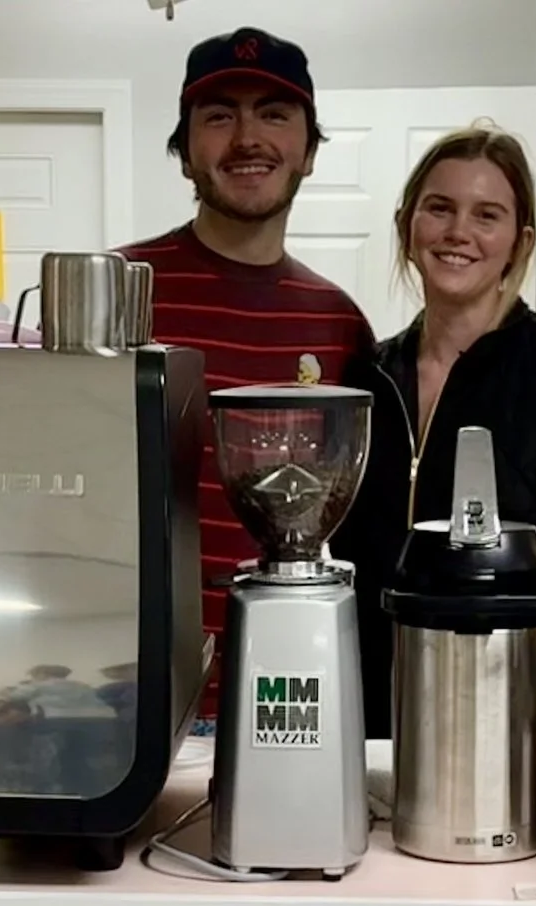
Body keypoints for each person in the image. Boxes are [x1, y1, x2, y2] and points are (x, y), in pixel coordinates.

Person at [119, 27, 412, 728]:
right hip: (125, 698)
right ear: (185, 150)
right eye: (220, 115)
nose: (248, 138)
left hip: (282, 697)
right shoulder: (122, 292)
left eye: (274, 114)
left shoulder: (339, 324)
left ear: (309, 151)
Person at [335, 125, 536, 735]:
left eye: (486, 215)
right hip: (368, 724)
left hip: (504, 732)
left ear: (521, 242)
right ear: (407, 226)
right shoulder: (366, 377)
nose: (458, 232)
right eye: (439, 208)